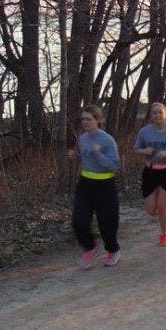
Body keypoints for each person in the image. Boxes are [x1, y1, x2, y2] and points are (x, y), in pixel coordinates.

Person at [68, 105, 121, 268]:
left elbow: (114, 166)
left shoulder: (107, 140)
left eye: (88, 119)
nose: (85, 122)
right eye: (83, 119)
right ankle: (91, 249)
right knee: (79, 221)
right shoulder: (83, 138)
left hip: (105, 185)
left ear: (98, 120)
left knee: (106, 223)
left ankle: (113, 250)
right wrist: (75, 156)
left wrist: (98, 155)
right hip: (85, 183)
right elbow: (84, 156)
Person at [133, 102, 166, 246]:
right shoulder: (144, 132)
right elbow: (136, 149)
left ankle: (164, 234)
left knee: (163, 206)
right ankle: (162, 216)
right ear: (151, 116)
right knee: (151, 210)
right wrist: (144, 151)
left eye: (160, 112)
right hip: (150, 171)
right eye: (154, 113)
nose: (157, 115)